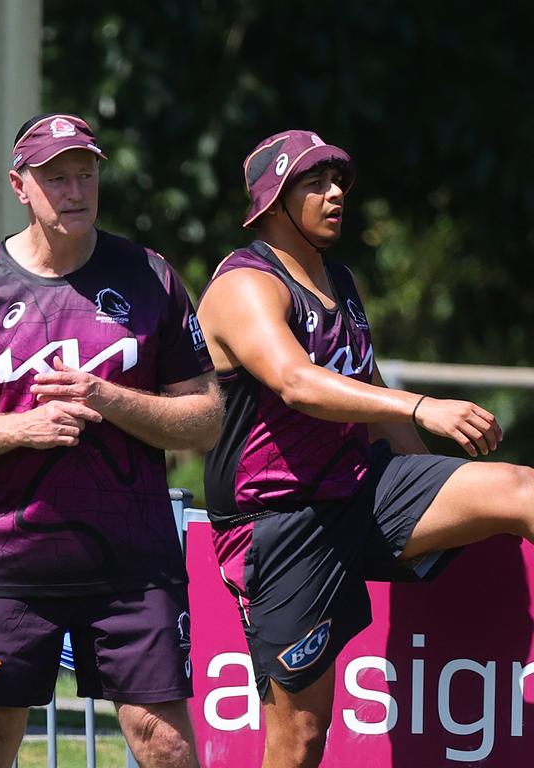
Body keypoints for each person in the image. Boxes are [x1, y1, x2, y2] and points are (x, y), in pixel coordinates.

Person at [194, 129, 534, 768]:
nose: (335, 194)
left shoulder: (339, 280)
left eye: (338, 181)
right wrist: (422, 406)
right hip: (279, 523)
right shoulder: (244, 284)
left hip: (362, 488)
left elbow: (365, 385)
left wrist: (421, 466)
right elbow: (297, 383)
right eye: (314, 183)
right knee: (300, 740)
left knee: (521, 488)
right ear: (272, 201)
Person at [0, 113, 223, 768]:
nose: (75, 191)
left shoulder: (150, 276)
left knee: (164, 742)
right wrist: (23, 427)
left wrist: (105, 396)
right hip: (3, 565)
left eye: (85, 175)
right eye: (56, 179)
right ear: (20, 186)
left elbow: (207, 417)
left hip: (132, 566)